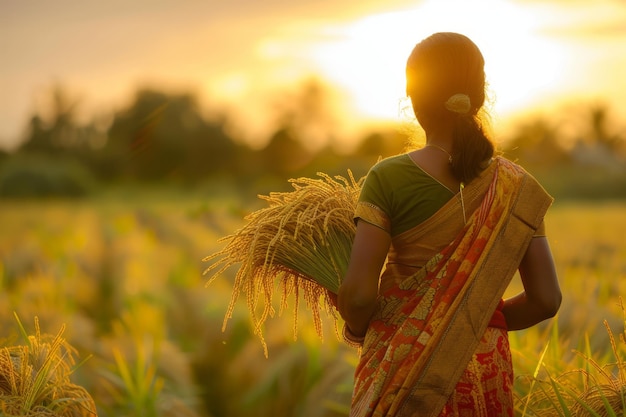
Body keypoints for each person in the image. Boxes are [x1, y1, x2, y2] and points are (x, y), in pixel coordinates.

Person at [336, 32, 562, 417]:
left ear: (412, 98)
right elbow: (546, 299)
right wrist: (472, 320)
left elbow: (358, 296)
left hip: (403, 365)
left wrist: (359, 329)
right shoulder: (517, 187)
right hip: (486, 370)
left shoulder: (386, 178)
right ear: (480, 93)